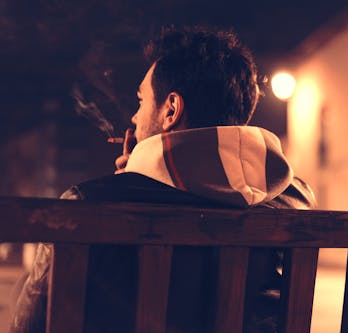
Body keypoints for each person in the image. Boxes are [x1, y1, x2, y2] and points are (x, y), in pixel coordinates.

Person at [9, 26, 316, 333]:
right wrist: (142, 175)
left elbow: (30, 325)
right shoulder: (295, 199)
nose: (133, 117)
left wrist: (132, 181)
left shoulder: (88, 207)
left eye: (141, 101)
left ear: (171, 109)